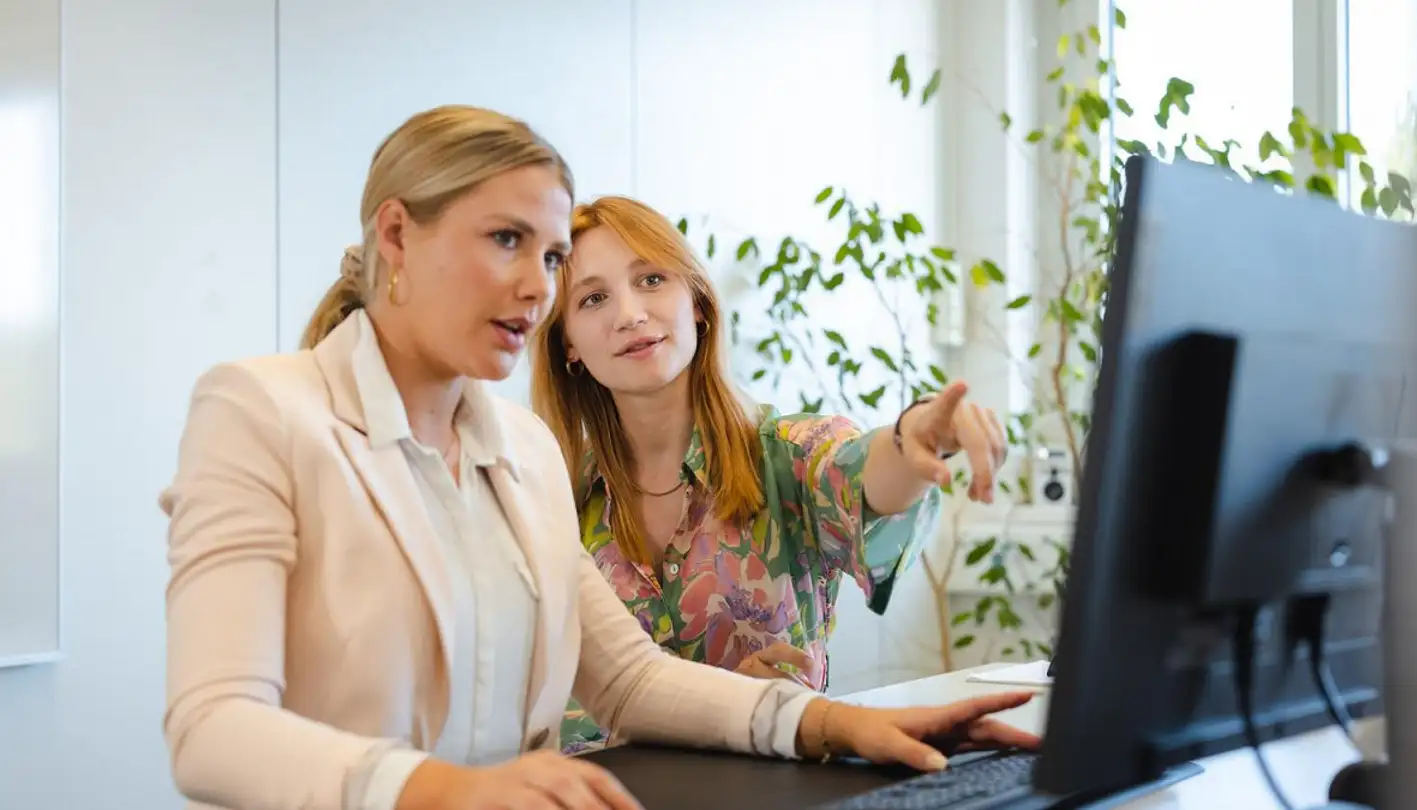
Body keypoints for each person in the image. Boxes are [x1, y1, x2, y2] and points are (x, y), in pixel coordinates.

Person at [160, 104, 1038, 810]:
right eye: (508, 241)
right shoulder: (259, 408)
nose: (537, 285)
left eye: (548, 255)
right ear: (397, 235)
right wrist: (445, 793)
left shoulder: (522, 452)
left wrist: (841, 726)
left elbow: (627, 678)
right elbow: (212, 729)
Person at [529, 195, 1009, 754]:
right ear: (568, 345)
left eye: (652, 279)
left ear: (699, 303)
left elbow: (868, 478)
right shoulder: (548, 491)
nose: (630, 313)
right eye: (593, 298)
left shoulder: (791, 456)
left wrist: (916, 436)